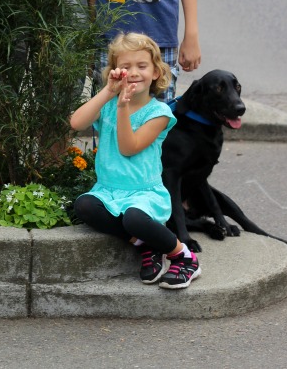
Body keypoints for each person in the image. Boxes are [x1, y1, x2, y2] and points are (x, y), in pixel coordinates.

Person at [70, 32, 201, 289]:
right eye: (125, 66)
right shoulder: (108, 103)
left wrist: (122, 108)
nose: (134, 72)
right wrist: (108, 92)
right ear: (114, 71)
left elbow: (128, 148)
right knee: (84, 206)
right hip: (109, 191)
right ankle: (146, 245)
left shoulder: (159, 113)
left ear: (155, 72)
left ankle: (183, 256)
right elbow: (76, 123)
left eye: (142, 66)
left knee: (134, 220)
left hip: (144, 194)